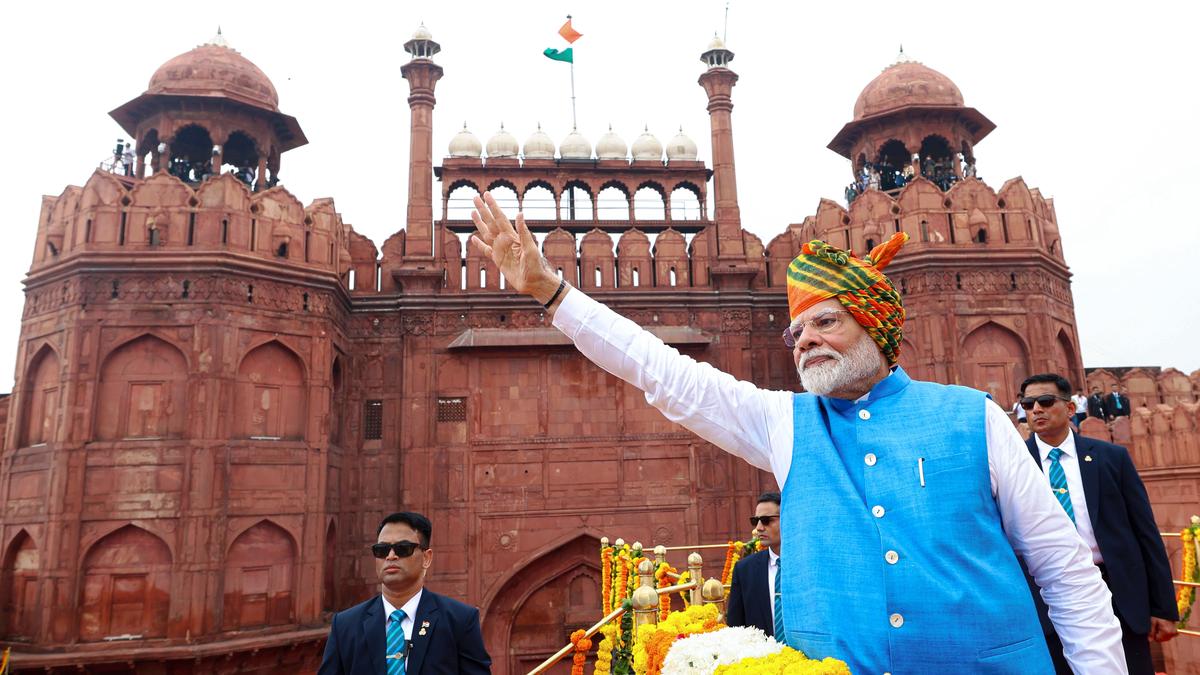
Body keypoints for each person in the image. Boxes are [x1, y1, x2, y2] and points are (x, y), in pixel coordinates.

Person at [468, 192, 1123, 673]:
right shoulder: (786, 424)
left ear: (877, 327)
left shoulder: (972, 417)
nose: (805, 339)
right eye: (797, 332)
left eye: (826, 323)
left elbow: (1065, 572)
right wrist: (551, 293)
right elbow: (665, 374)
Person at [1020, 373, 1178, 675]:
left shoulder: (1110, 458)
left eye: (1045, 401)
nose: (1035, 409)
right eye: (1028, 403)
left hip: (1114, 592)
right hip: (1045, 596)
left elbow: (1145, 534)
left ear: (1069, 409)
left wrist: (1162, 608)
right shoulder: (1015, 464)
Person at [319, 512, 491, 675]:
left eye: (402, 548)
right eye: (382, 550)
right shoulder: (346, 625)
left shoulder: (458, 621)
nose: (391, 556)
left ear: (426, 558)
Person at [725, 492, 781, 638]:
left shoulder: (810, 567)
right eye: (755, 521)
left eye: (766, 520)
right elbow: (735, 628)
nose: (759, 528)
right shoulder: (744, 570)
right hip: (763, 658)